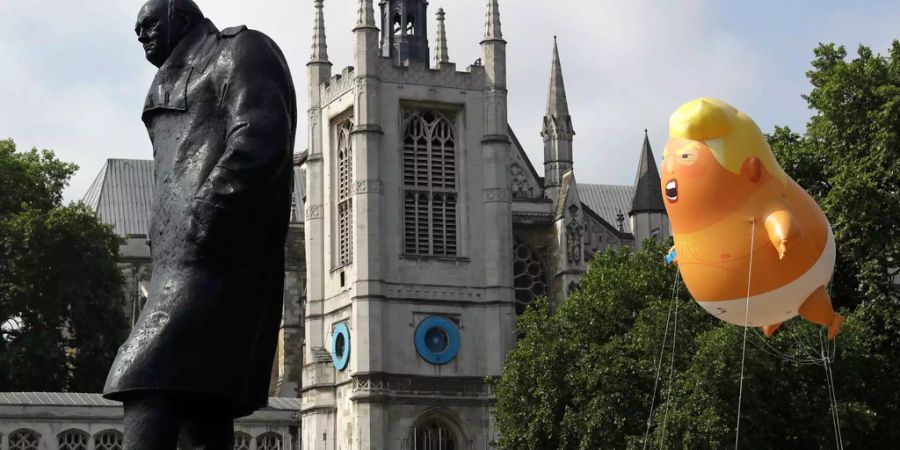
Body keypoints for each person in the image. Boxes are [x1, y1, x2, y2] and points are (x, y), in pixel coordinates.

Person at [103, 1, 297, 448]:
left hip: (217, 259)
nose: (142, 36)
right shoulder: (170, 77)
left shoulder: (239, 50)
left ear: (181, 16)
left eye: (149, 25)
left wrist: (207, 210)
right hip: (176, 261)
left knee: (142, 378)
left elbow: (261, 136)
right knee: (200, 404)